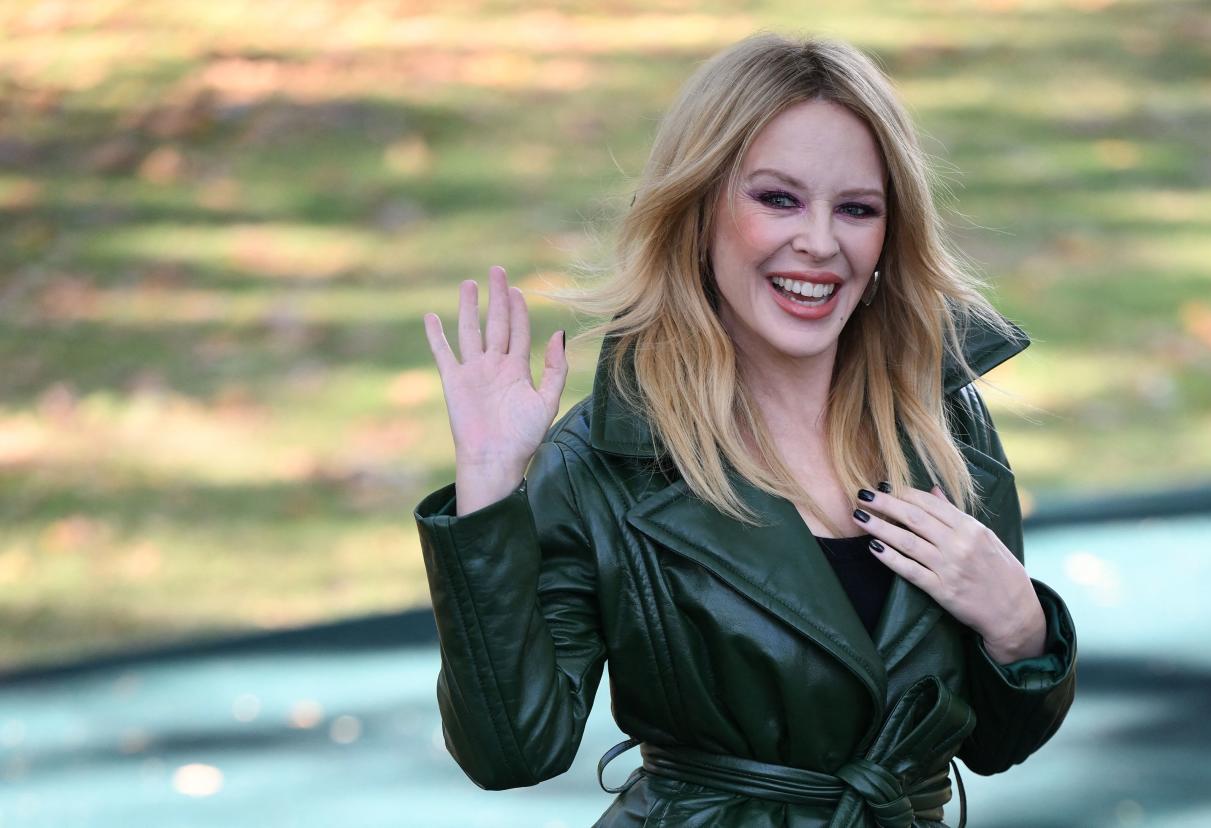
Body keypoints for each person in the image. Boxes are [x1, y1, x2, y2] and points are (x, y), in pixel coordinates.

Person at [415, 32, 1077, 827]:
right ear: (698, 214)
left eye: (857, 210)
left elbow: (996, 742)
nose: (820, 242)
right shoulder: (606, 459)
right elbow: (512, 751)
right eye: (778, 199)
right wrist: (489, 488)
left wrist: (1020, 628)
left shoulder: (939, 422)